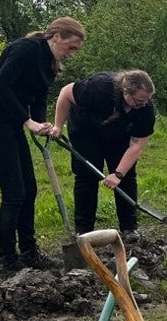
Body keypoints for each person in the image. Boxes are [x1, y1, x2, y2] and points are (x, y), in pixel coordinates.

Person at [0, 17, 86, 275]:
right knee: (14, 192)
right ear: (56, 36)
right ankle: (7, 260)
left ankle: (29, 251)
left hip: (13, 124)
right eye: (70, 47)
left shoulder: (49, 64)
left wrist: (41, 123)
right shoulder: (24, 50)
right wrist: (27, 121)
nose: (72, 54)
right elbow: (1, 87)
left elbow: (37, 97)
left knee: (30, 189)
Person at [51, 70, 156, 242]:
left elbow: (137, 145)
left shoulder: (145, 109)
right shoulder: (98, 88)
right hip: (86, 132)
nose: (143, 105)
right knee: (87, 178)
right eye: (139, 101)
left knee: (127, 177)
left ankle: (129, 228)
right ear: (126, 92)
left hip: (119, 135)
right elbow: (66, 92)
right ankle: (84, 231)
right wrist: (57, 126)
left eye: (146, 101)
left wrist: (118, 174)